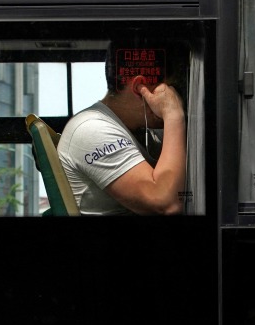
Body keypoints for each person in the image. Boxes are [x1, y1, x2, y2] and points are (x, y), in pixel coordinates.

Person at [58, 47, 187, 216]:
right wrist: (173, 115)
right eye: (174, 89)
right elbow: (166, 204)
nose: (178, 99)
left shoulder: (143, 128)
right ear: (139, 88)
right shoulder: (91, 129)